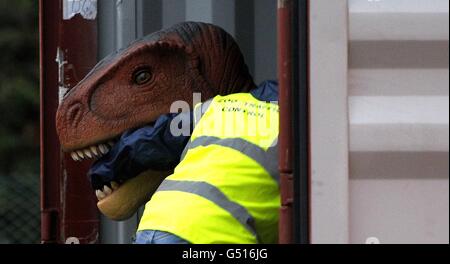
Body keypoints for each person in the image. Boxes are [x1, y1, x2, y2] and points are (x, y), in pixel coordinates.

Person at [88, 80, 280, 244]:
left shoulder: (220, 105)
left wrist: (105, 171)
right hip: (214, 237)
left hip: (155, 227)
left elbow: (152, 138)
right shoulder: (298, 124)